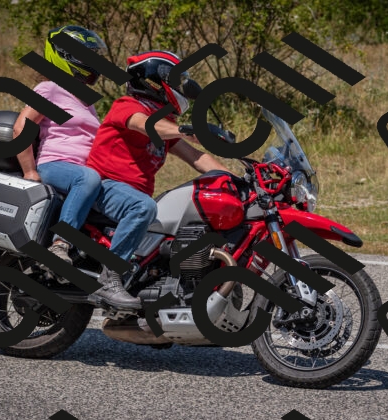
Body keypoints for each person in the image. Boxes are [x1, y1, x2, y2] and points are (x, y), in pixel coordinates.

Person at [85, 50, 232, 310]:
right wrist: (188, 130)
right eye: (175, 80)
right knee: (143, 207)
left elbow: (196, 157)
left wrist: (234, 180)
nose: (180, 87)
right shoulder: (127, 106)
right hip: (104, 188)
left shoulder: (165, 124)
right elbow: (146, 124)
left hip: (129, 196)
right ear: (154, 80)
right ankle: (110, 277)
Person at [14, 25, 107, 265]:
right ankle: (60, 244)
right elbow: (21, 128)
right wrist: (29, 172)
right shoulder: (50, 89)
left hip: (82, 171)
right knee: (88, 179)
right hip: (55, 164)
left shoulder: (86, 101)